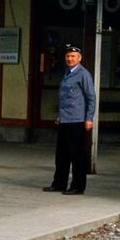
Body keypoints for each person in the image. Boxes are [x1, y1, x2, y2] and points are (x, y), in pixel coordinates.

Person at [44, 44, 96, 195]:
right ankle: (59, 183)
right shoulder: (67, 74)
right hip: (66, 119)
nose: (70, 58)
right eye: (68, 56)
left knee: (77, 154)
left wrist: (89, 118)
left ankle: (77, 186)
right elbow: (65, 98)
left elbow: (91, 97)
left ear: (79, 58)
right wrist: (60, 116)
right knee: (62, 154)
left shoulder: (83, 74)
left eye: (73, 56)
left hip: (77, 119)